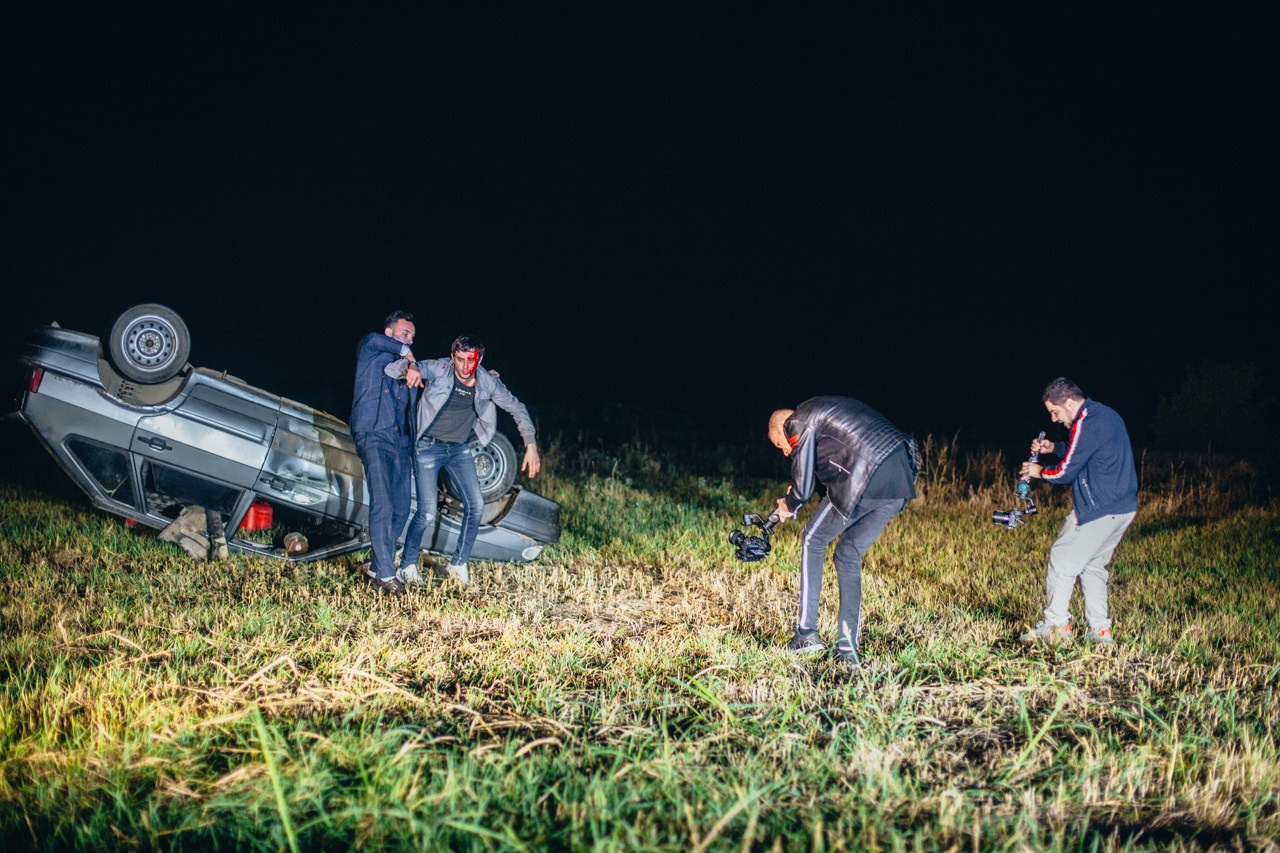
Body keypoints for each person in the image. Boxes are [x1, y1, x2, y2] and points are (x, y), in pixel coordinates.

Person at [768, 396, 919, 667]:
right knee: (848, 553)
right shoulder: (823, 417)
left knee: (812, 539)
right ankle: (847, 650)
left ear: (782, 427)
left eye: (779, 444)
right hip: (900, 476)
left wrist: (788, 504)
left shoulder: (797, 420)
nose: (784, 452)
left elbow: (802, 489)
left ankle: (805, 635)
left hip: (866, 475)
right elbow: (820, 475)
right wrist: (799, 496)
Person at [388, 335, 540, 586]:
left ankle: (458, 563)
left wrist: (531, 445)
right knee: (427, 512)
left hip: (458, 448)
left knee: (476, 505)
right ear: (452, 358)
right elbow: (391, 369)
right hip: (427, 447)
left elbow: (516, 408)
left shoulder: (487, 381)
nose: (465, 366)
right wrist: (410, 366)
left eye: (471, 360)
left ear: (479, 359)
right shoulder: (440, 368)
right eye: (460, 360)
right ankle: (407, 565)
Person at [1018, 377, 1138, 645]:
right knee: (1093, 566)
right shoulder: (1101, 416)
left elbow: (1065, 471)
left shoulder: (1088, 422)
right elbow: (1081, 452)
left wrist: (1039, 471)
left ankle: (1056, 628)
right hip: (1122, 508)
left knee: (1062, 559)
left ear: (1069, 402)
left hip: (1099, 509)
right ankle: (1101, 632)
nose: (1053, 419)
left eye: (1055, 411)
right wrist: (1053, 448)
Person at [350, 311, 420, 596]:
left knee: (402, 507)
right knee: (383, 503)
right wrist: (409, 356)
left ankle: (378, 566)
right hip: (372, 434)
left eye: (413, 336)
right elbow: (382, 343)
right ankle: (386, 575)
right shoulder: (371, 348)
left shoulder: (406, 369)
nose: (411, 340)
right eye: (406, 333)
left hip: (400, 442)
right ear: (389, 333)